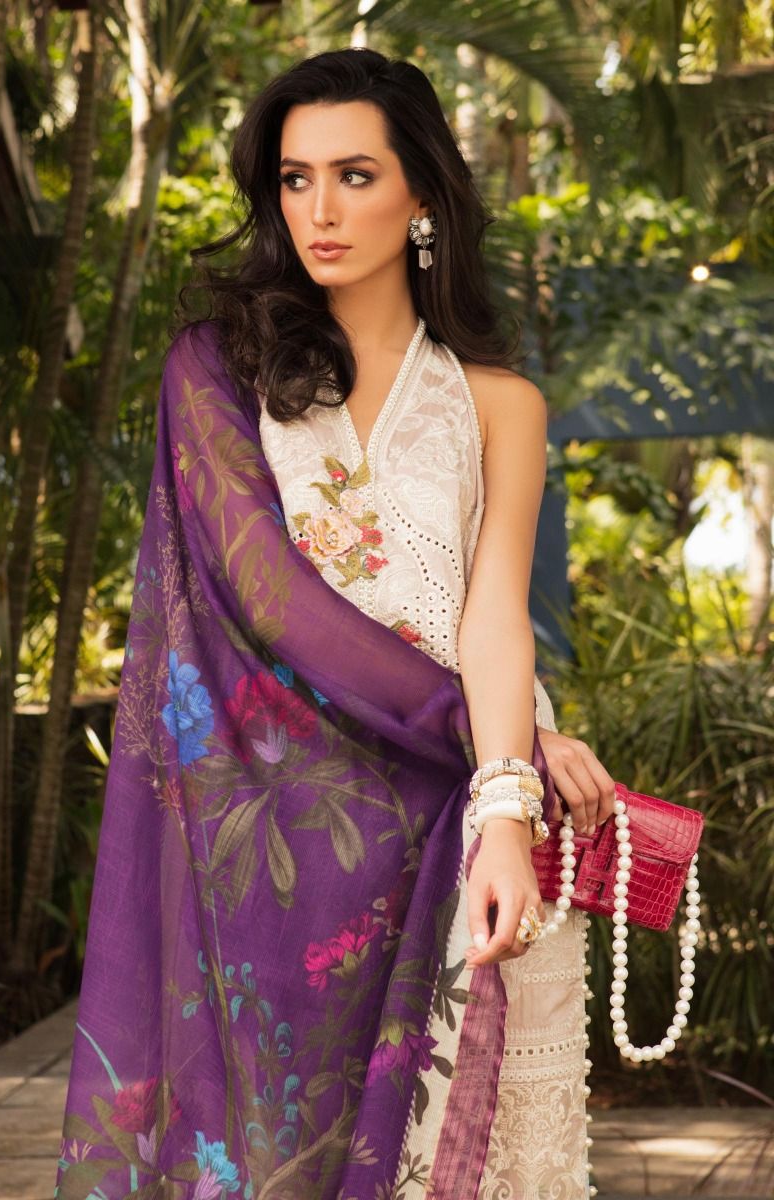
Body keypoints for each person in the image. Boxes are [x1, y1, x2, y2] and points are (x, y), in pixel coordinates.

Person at [55, 47, 616, 1200]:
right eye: (294, 178)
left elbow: (492, 616)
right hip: (278, 833)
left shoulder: (497, 404)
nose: (318, 209)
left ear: (421, 196)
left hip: (468, 818)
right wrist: (505, 746)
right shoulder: (217, 374)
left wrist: (504, 805)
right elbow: (265, 597)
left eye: (354, 175)